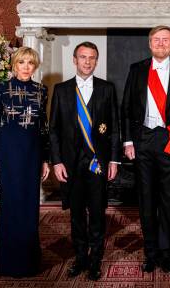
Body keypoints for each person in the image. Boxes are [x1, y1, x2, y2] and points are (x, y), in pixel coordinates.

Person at [121, 26, 170, 273]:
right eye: (157, 39)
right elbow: (126, 108)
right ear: (149, 43)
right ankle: (150, 252)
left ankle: (166, 253)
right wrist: (128, 141)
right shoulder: (137, 69)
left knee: (169, 200)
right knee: (145, 200)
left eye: (166, 40)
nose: (161, 43)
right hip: (143, 140)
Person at [50, 42, 120, 281]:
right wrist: (56, 162)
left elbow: (114, 129)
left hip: (97, 163)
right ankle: (80, 258)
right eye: (83, 57)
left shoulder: (107, 89)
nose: (87, 62)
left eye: (92, 58)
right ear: (74, 60)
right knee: (76, 215)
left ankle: (95, 261)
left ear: (96, 61)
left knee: (98, 214)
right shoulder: (61, 90)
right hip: (70, 165)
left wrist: (114, 160)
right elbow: (54, 131)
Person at [0, 46, 51, 277]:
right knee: (11, 204)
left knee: (29, 205)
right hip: (9, 151)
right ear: (14, 65)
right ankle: (8, 263)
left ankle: (29, 262)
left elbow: (43, 127)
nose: (26, 67)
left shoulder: (41, 90)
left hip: (32, 152)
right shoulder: (2, 88)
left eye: (30, 63)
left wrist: (46, 158)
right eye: (22, 63)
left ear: (35, 66)